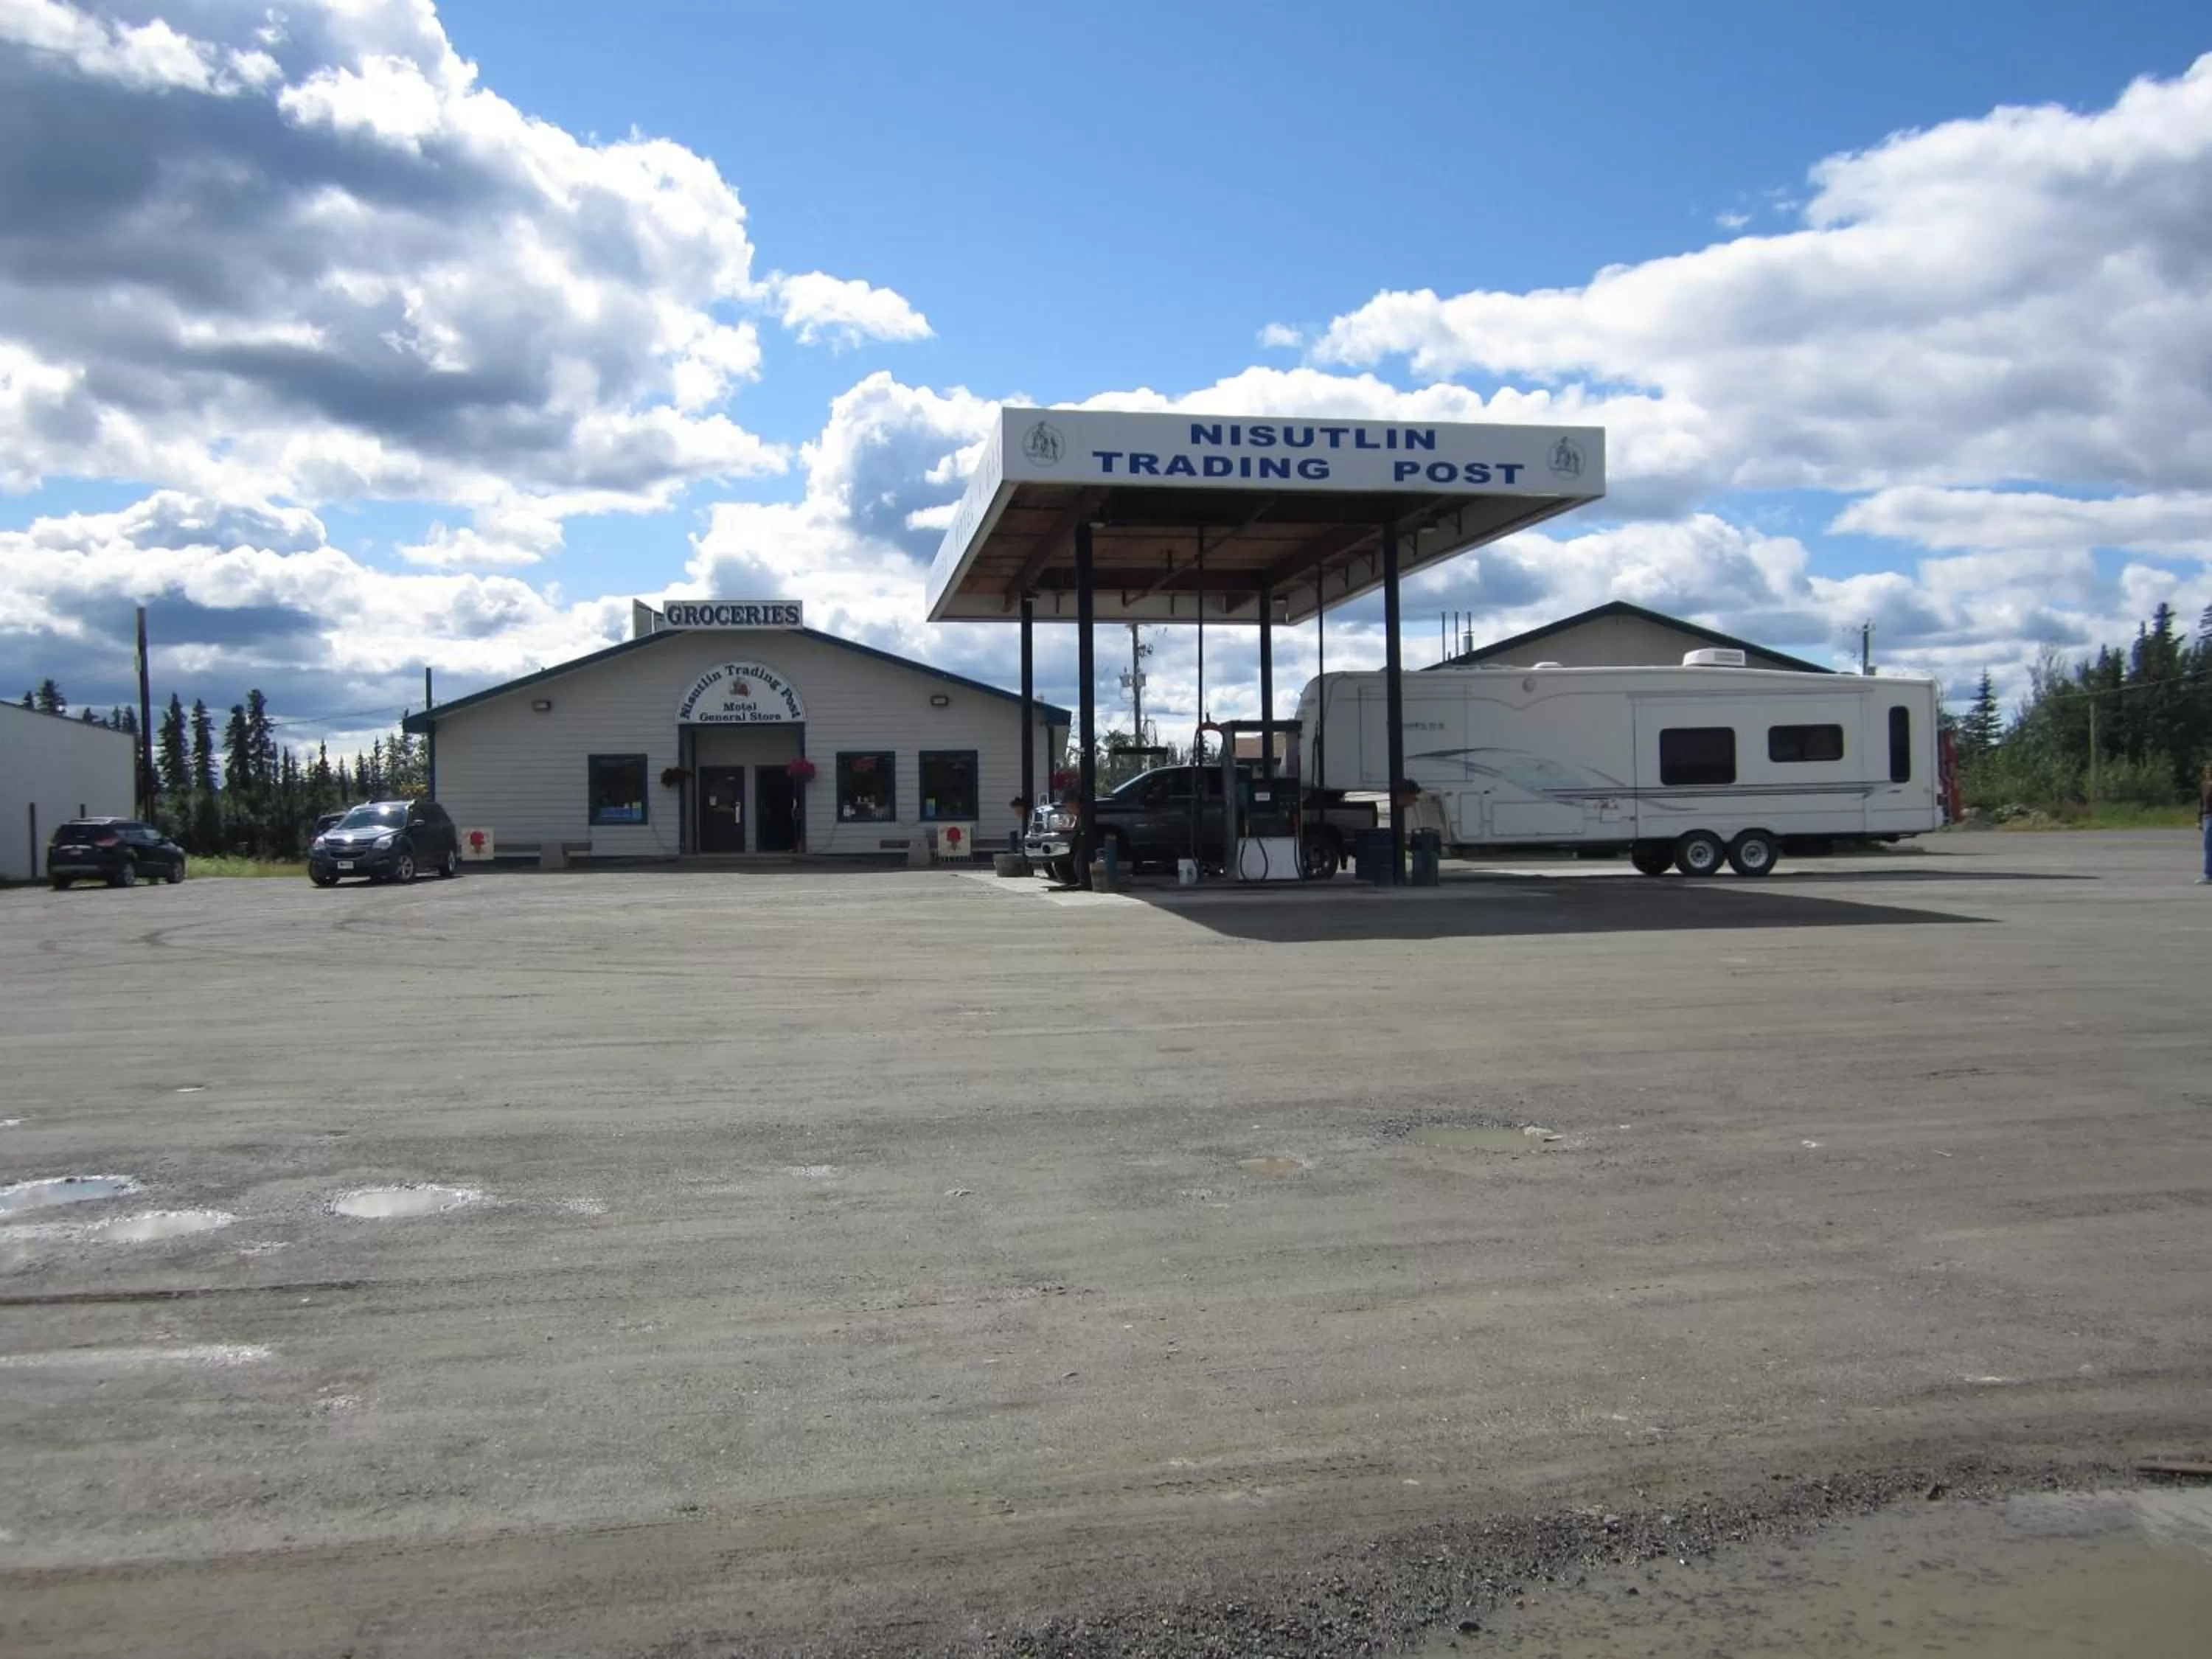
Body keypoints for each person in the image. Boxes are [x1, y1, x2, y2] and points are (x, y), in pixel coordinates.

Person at [2199, 762, 2212, 884]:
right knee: (2208, 848)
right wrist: (2199, 819)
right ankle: (2208, 874)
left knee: (2209, 848)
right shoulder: (2205, 786)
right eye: (2207, 771)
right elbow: (2202, 803)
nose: (2208, 774)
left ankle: (2208, 874)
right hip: (2208, 817)